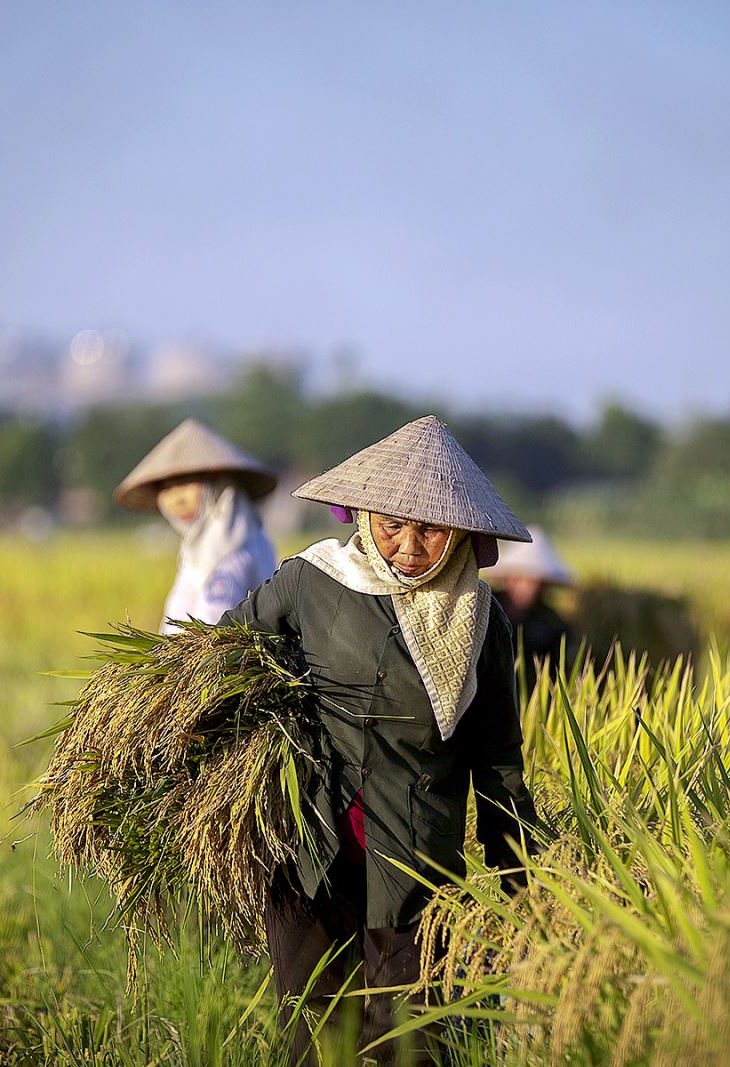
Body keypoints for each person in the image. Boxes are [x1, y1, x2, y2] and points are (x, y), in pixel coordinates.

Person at [220, 415, 539, 1065]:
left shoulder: (480, 620)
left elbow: (498, 758)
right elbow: (225, 654)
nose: (409, 545)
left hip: (416, 858)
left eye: (430, 529)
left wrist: (523, 878)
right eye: (393, 524)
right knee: (316, 1031)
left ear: (462, 536)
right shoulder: (312, 582)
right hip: (311, 842)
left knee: (414, 1038)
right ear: (364, 516)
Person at [113, 418, 279, 633]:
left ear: (215, 479)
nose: (176, 499)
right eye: (166, 487)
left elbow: (212, 634)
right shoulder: (201, 548)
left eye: (184, 483)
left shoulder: (228, 548)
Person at [487, 525, 575, 663]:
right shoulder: (485, 608)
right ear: (506, 578)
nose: (525, 588)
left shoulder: (552, 625)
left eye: (532, 581)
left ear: (543, 585)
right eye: (518, 578)